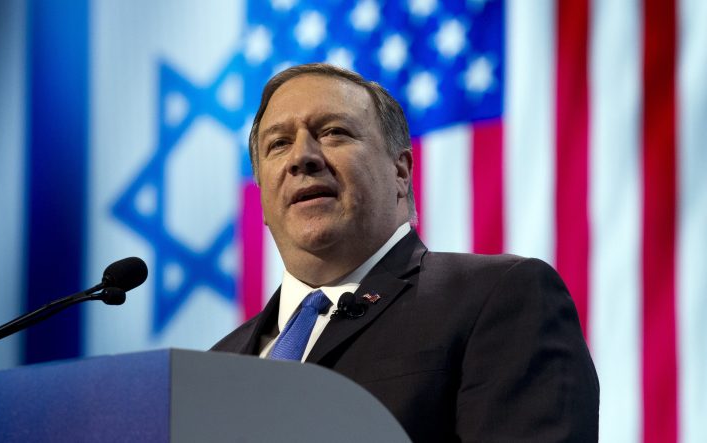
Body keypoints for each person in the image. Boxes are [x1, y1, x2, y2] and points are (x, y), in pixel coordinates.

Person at [211, 63, 599, 442]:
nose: (302, 157)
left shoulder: (499, 297)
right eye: (279, 144)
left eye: (333, 132)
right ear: (262, 200)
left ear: (400, 173)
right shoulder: (214, 367)